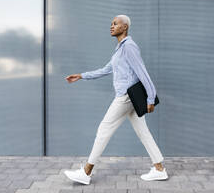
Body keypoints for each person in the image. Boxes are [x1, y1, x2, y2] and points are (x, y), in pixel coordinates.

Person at [64, 14, 168, 185]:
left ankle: (86, 172)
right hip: (130, 98)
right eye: (111, 24)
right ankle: (159, 169)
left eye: (115, 23)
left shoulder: (129, 47)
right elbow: (105, 70)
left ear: (125, 27)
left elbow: (142, 72)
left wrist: (151, 97)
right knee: (143, 132)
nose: (111, 26)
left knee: (104, 128)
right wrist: (82, 76)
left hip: (126, 96)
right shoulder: (120, 49)